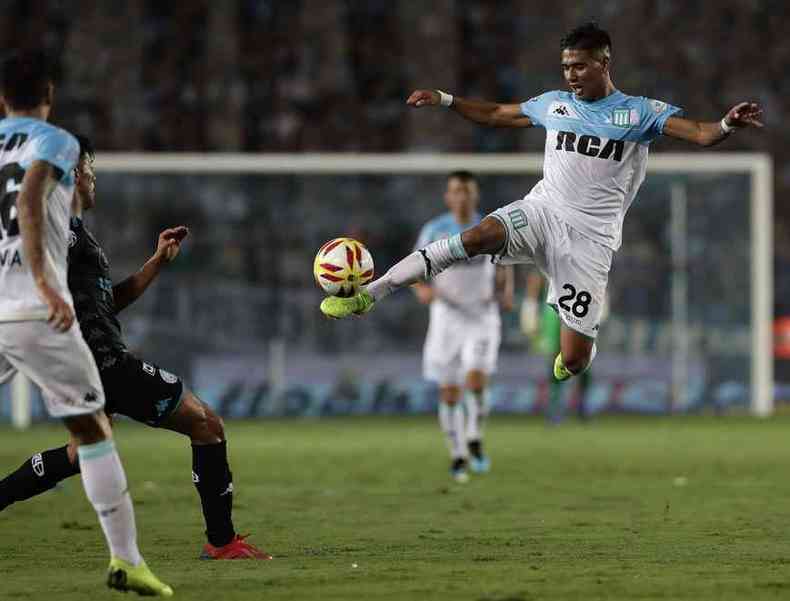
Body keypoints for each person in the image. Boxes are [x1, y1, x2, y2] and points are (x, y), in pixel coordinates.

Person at [319, 22, 763, 389]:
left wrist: (727, 123)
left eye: (581, 67)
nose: (572, 75)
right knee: (476, 237)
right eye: (567, 67)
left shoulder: (639, 112)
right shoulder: (555, 104)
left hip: (590, 241)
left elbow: (702, 133)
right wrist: (447, 100)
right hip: (542, 211)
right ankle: (369, 295)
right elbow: (496, 113)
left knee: (572, 361)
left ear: (604, 64)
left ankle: (577, 348)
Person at [0, 134, 270, 561]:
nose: (94, 181)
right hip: (104, 362)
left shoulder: (76, 234)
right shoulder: (57, 235)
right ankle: (222, 542)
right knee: (207, 425)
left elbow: (109, 303)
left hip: (86, 363)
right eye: (91, 172)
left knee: (80, 453)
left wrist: (156, 262)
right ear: (74, 174)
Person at [0, 51, 172, 595]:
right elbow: (29, 201)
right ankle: (127, 561)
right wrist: (48, 284)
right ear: (47, 95)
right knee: (94, 432)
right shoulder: (57, 142)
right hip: (34, 310)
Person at [412, 171, 513, 482]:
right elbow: (416, 266)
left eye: (467, 191)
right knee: (450, 391)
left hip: (482, 315)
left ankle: (475, 438)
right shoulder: (434, 229)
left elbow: (504, 263)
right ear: (448, 196)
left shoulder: (488, 227)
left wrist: (506, 291)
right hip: (446, 317)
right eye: (456, 191)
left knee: (476, 379)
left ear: (475, 195)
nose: (462, 196)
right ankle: (457, 456)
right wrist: (423, 290)